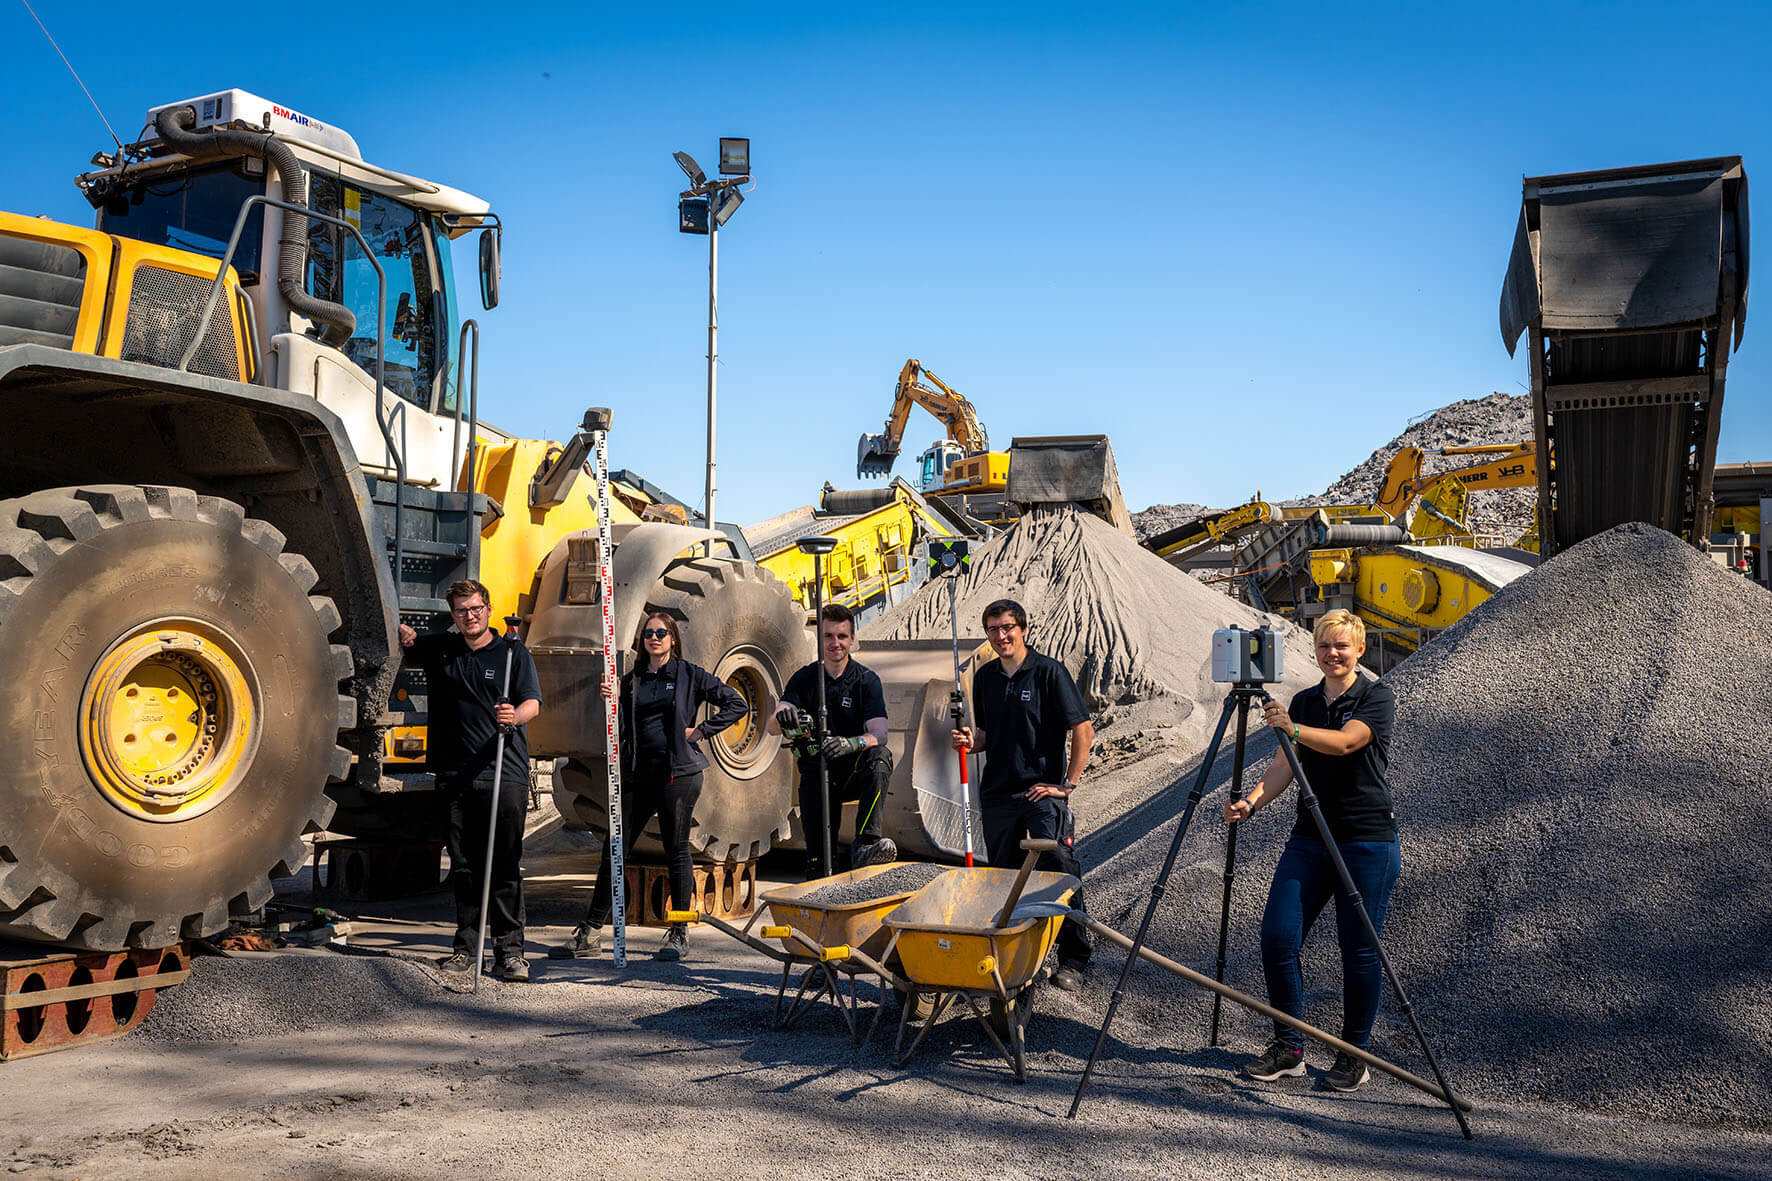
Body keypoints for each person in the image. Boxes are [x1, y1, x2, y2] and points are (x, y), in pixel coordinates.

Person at [1221, 609, 1400, 1093]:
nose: (1332, 654)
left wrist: (1293, 729)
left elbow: (1345, 744)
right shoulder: (1303, 700)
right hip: (1310, 838)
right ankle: (1289, 1047)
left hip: (1366, 840)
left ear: (1359, 649)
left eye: (1341, 646)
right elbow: (1284, 766)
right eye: (1324, 646)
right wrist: (1252, 802)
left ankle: (1353, 1053)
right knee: (1278, 937)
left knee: (1358, 950)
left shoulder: (1376, 696)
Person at [550, 612, 746, 962]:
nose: (654, 638)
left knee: (676, 849)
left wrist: (701, 731)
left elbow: (736, 703)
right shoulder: (631, 680)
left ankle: (679, 933)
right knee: (616, 848)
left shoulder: (689, 674)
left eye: (661, 633)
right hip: (638, 776)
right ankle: (591, 932)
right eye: (648, 633)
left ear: (672, 639)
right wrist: (612, 698)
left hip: (679, 776)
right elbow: (622, 725)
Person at [399, 579, 541, 982]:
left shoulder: (513, 653)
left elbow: (533, 701)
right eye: (461, 611)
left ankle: (510, 953)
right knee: (464, 867)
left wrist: (516, 716)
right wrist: (405, 633)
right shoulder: (443, 647)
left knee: (504, 866)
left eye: (475, 608)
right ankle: (465, 949)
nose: (469, 616)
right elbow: (409, 640)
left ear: (489, 609)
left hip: (503, 772)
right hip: (454, 776)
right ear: (454, 616)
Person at [949, 599, 1094, 991]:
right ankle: (1014, 959)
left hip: (1040, 794)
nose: (1001, 636)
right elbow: (988, 736)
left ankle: (1075, 958)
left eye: (1007, 627)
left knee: (1059, 868)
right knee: (1004, 880)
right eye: (993, 630)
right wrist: (970, 741)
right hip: (997, 794)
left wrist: (1067, 785)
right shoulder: (984, 678)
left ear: (1023, 628)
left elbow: (1083, 730)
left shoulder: (1048, 672)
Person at [766, 603, 897, 878]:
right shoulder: (804, 678)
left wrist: (851, 743)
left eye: (841, 636)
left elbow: (880, 732)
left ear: (852, 639)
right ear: (820, 639)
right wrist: (785, 718)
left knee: (880, 756)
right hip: (816, 774)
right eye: (828, 636)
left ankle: (866, 843)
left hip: (851, 771)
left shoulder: (866, 680)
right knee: (819, 864)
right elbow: (772, 726)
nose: (835, 643)